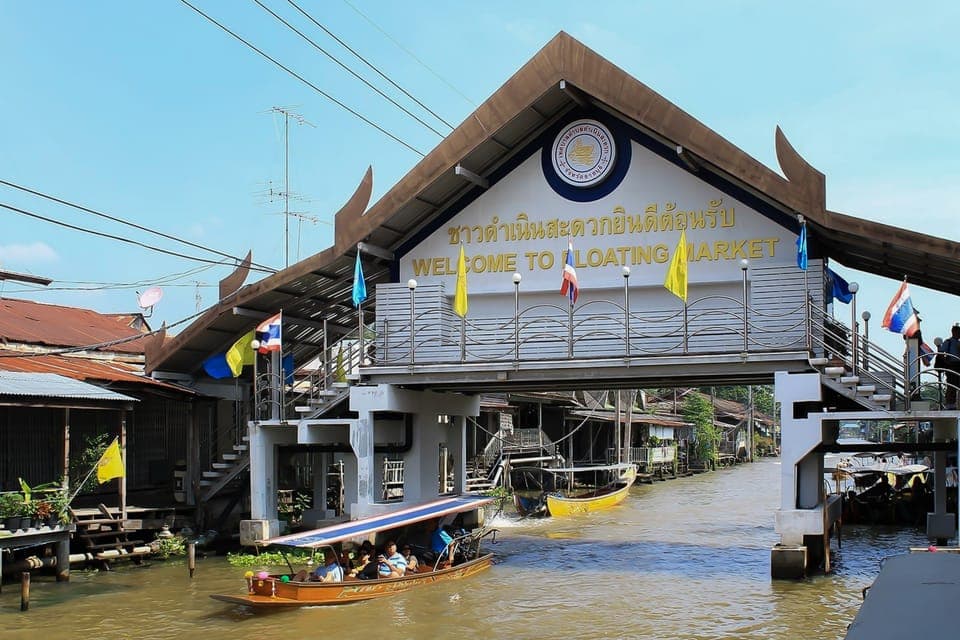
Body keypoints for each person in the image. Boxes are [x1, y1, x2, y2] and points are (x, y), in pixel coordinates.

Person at [938, 324, 960, 408]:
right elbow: (941, 352)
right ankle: (950, 403)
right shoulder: (948, 342)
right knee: (951, 384)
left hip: (958, 365)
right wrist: (946, 362)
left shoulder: (958, 343)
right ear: (954, 332)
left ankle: (956, 403)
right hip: (952, 365)